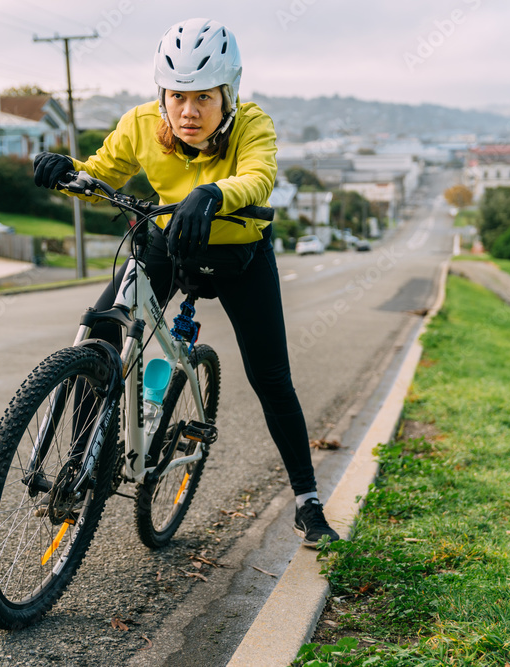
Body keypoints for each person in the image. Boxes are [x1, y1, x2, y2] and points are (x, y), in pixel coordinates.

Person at [32, 18, 339, 547]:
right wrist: (64, 170)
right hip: (167, 244)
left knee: (270, 377)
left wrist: (214, 194)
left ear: (228, 96)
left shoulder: (253, 125)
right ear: (163, 95)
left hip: (240, 254)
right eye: (177, 96)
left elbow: (258, 177)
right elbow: (101, 171)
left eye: (203, 97)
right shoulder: (141, 123)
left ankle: (307, 501)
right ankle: (82, 464)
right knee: (101, 333)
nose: (188, 112)